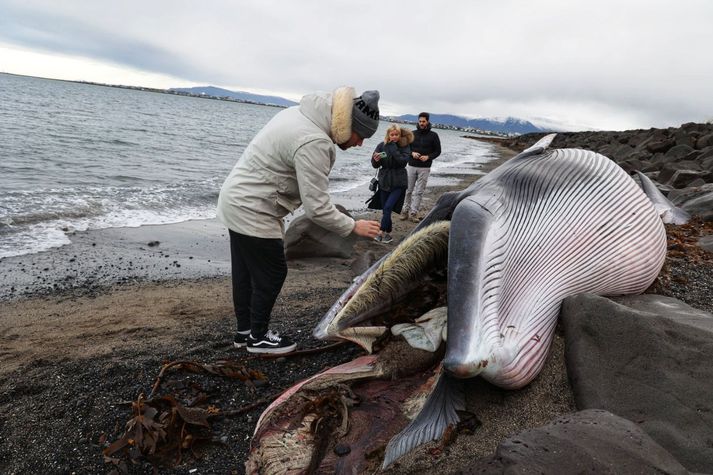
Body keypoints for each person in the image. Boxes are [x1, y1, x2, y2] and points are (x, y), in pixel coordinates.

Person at [217, 87, 382, 354]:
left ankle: (244, 333)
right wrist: (353, 226)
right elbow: (317, 208)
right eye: (360, 135)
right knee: (272, 273)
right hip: (254, 208)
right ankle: (258, 338)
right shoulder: (314, 141)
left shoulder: (297, 114)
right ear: (346, 124)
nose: (360, 143)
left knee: (246, 271)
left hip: (235, 198)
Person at [371, 125, 413, 243]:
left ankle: (381, 232)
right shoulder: (381, 145)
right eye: (392, 134)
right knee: (385, 210)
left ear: (400, 135)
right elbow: (374, 165)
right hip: (384, 180)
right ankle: (388, 234)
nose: (394, 137)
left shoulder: (405, 146)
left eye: (396, 134)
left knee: (389, 207)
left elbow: (403, 161)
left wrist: (393, 148)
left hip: (399, 182)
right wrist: (376, 159)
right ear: (388, 135)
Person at [401, 112, 441, 222]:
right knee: (408, 190)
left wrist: (428, 157)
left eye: (423, 121)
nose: (421, 123)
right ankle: (405, 211)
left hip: (425, 167)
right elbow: (406, 148)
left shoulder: (434, 135)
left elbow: (438, 151)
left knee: (419, 191)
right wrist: (412, 153)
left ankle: (413, 213)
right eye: (420, 121)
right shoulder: (412, 134)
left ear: (427, 121)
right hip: (411, 166)